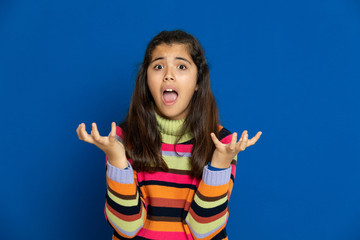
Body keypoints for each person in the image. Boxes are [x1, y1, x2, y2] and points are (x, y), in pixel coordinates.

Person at [76, 30, 262, 240]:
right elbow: (126, 227)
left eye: (181, 66)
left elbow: (204, 231)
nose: (168, 75)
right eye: (158, 66)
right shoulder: (121, 138)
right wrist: (117, 159)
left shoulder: (222, 144)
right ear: (146, 79)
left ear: (198, 82)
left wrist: (220, 164)